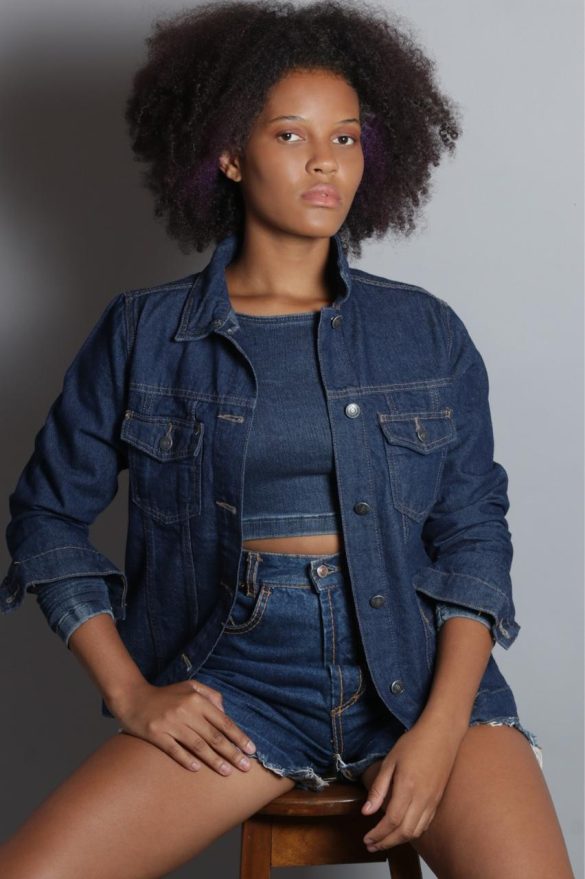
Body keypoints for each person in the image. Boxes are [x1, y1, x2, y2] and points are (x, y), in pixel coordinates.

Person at [0, 1, 575, 876]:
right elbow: (46, 517)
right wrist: (132, 692)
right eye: (289, 135)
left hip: (416, 673)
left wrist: (439, 729)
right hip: (238, 682)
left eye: (344, 137)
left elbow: (472, 533)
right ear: (229, 154)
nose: (323, 161)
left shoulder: (424, 330)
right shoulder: (144, 333)